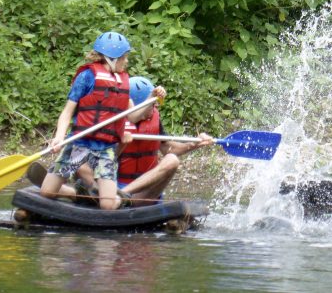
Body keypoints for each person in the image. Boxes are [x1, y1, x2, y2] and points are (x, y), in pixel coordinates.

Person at [39, 31, 144, 210]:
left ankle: (118, 199)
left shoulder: (121, 81)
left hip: (106, 149)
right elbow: (66, 113)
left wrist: (152, 98)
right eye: (123, 58)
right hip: (79, 143)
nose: (126, 62)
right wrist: (59, 137)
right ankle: (77, 193)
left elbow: (133, 116)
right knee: (47, 192)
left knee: (108, 205)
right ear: (112, 59)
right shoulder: (87, 77)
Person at [115, 76, 214, 206]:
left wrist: (194, 144)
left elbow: (168, 148)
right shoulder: (115, 120)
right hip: (114, 188)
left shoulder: (154, 118)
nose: (156, 105)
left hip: (144, 193)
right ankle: (118, 196)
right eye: (152, 103)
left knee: (172, 160)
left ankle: (122, 196)